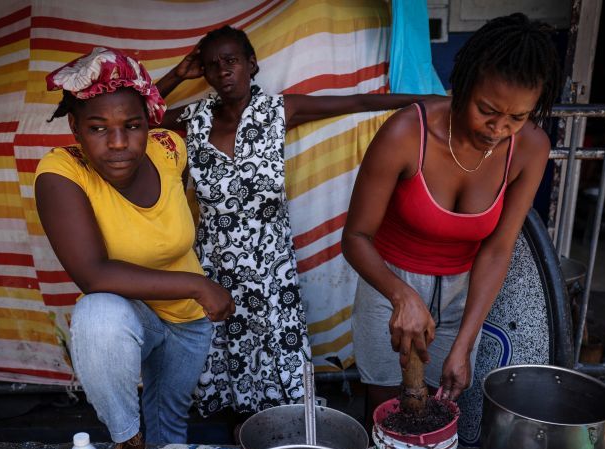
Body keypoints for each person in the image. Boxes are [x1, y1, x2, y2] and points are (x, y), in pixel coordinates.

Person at [154, 25, 423, 417]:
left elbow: (359, 102)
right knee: (225, 366)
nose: (223, 71)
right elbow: (137, 117)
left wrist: (434, 102)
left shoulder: (278, 111)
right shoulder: (193, 121)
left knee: (279, 372)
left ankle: (276, 439)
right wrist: (179, 75)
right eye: (212, 66)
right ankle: (235, 441)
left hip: (270, 269)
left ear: (252, 65)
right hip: (215, 268)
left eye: (231, 61)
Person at [34, 47, 234, 449]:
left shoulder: (168, 149)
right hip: (136, 314)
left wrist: (166, 85)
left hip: (187, 320)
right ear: (75, 130)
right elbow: (92, 273)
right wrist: (197, 284)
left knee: (171, 425)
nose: (118, 142)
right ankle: (128, 443)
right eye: (97, 129)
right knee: (98, 314)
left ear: (149, 124)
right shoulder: (61, 172)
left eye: (132, 127)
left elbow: (133, 111)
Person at [341, 13, 561, 428]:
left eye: (516, 118)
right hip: (388, 282)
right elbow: (355, 237)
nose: (497, 129)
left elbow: (497, 249)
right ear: (463, 83)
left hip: (464, 291)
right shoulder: (406, 133)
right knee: (386, 408)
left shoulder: (531, 148)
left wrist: (465, 341)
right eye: (486, 110)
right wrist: (401, 296)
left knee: (439, 413)